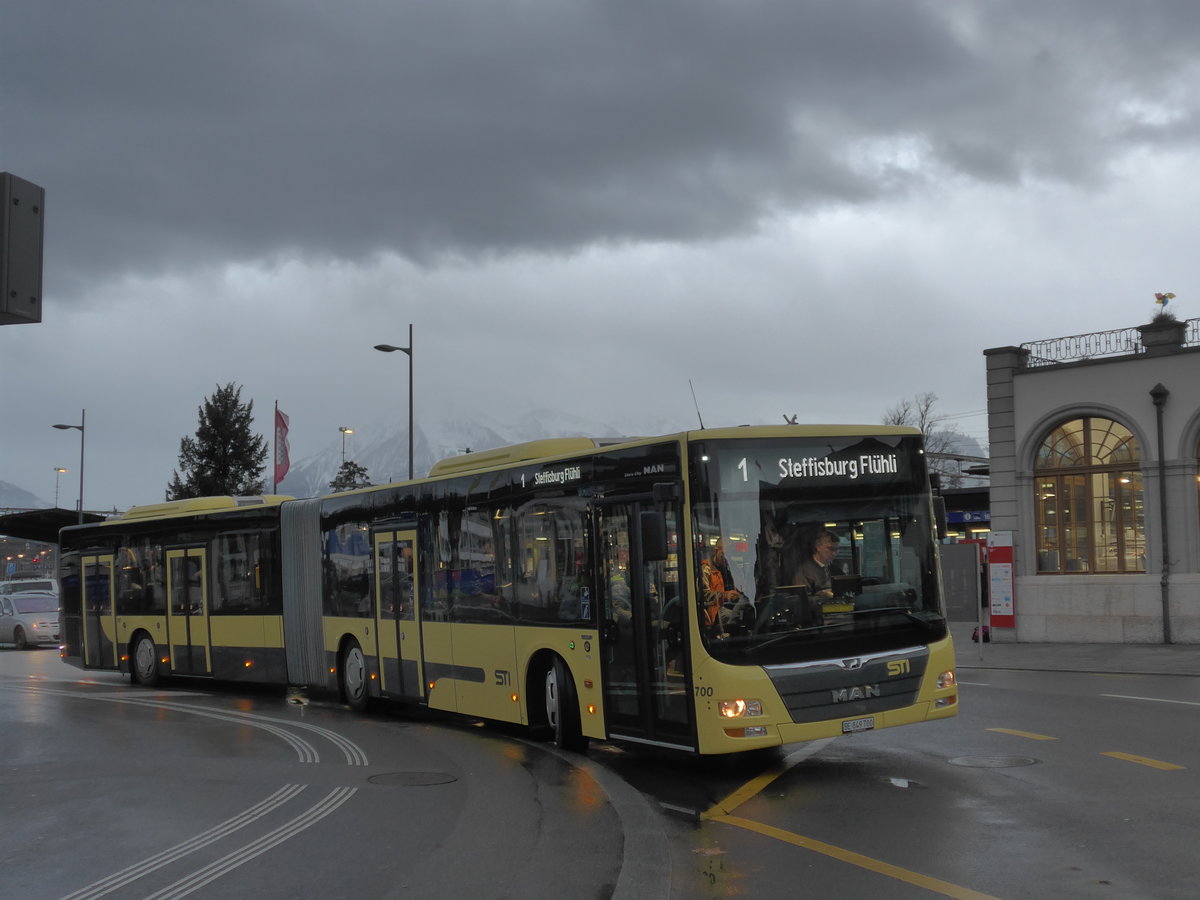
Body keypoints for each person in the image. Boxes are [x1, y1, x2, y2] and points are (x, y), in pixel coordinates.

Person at [700, 538, 747, 634]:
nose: (727, 559)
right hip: (715, 608)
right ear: (716, 550)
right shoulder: (706, 569)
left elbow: (741, 586)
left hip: (734, 604)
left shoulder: (731, 568)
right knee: (733, 617)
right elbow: (703, 595)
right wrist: (725, 595)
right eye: (724, 554)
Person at [797, 530, 840, 600]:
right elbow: (802, 600)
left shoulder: (835, 570)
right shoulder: (804, 572)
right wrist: (824, 596)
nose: (834, 553)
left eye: (837, 549)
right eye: (830, 549)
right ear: (818, 546)